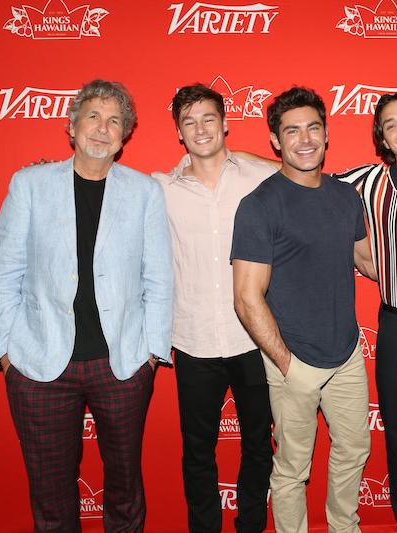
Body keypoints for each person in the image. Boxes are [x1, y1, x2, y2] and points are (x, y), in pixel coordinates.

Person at [236, 91, 397, 532]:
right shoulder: (360, 184)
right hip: (367, 339)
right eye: (390, 124)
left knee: (390, 448)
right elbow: (247, 294)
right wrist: (224, 155)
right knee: (363, 453)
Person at [0, 79, 172, 532]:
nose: (102, 129)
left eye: (114, 121)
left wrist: (150, 354)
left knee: (125, 489)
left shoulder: (145, 192)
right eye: (93, 116)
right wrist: (9, 352)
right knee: (50, 495)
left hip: (121, 364)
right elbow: (2, 272)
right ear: (72, 126)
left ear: (125, 134)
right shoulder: (30, 184)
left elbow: (159, 278)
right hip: (39, 363)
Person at [231, 87, 375, 533]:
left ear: (327, 133)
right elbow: (246, 297)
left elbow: (368, 261)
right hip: (293, 359)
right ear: (276, 141)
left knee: (354, 449)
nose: (305, 138)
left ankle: (342, 529)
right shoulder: (259, 205)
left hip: (347, 355)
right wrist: (286, 364)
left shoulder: (346, 196)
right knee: (292, 469)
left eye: (313, 127)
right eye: (292, 131)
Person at [152, 84, 276, 533]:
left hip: (254, 337)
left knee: (259, 445)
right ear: (179, 133)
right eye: (189, 122)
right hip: (193, 339)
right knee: (197, 450)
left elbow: (307, 172)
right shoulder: (159, 189)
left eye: (209, 118)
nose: (200, 129)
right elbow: (104, 190)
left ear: (225, 123)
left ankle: (250, 527)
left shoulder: (258, 177)